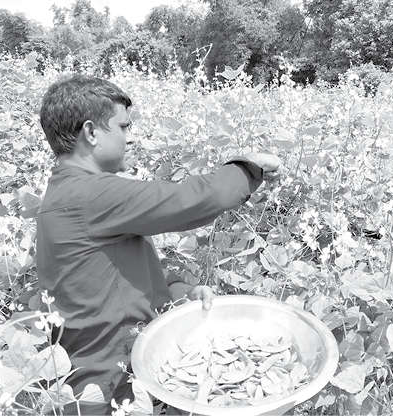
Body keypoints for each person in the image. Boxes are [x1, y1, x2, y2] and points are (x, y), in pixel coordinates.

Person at [35, 74, 280, 415]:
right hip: (102, 389)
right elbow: (189, 200)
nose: (129, 137)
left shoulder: (67, 192)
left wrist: (179, 291)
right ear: (91, 133)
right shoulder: (88, 194)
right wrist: (249, 167)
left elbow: (112, 273)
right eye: (123, 127)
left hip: (107, 374)